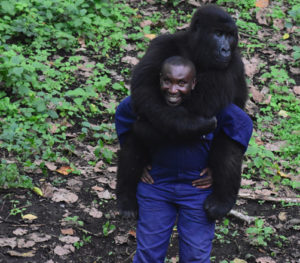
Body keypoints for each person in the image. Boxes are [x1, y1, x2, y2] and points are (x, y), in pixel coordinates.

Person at [115, 56, 252, 262]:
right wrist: (136, 161)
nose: (173, 90)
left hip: (197, 190)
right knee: (148, 255)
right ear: (160, 79)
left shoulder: (210, 104)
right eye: (167, 81)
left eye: (181, 83)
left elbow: (242, 124)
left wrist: (221, 169)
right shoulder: (147, 101)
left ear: (193, 83)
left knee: (196, 256)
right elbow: (123, 116)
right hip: (156, 186)